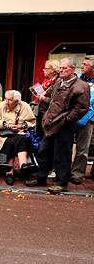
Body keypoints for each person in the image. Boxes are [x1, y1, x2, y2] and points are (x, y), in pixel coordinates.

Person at [26, 58, 90, 194]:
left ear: (73, 69)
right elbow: (52, 101)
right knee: (44, 152)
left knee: (62, 155)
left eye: (64, 68)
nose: (61, 70)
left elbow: (82, 108)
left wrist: (66, 120)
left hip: (64, 125)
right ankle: (41, 177)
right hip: (50, 123)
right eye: (60, 68)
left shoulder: (81, 86)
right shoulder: (58, 82)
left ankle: (62, 183)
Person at [0, 90, 36, 186]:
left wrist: (22, 126)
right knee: (10, 141)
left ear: (16, 101)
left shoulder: (25, 106)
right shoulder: (1, 106)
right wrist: (7, 126)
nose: (6, 102)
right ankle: (9, 172)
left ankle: (23, 166)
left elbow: (32, 122)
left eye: (10, 100)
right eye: (5, 99)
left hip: (20, 132)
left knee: (22, 139)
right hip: (4, 134)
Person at [69, 56, 94, 184]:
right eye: (82, 64)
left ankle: (77, 174)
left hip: (88, 119)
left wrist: (90, 116)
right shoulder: (76, 79)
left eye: (86, 64)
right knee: (66, 146)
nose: (82, 66)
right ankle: (64, 171)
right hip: (71, 116)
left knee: (82, 149)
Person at [34, 60, 60, 139]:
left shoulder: (58, 82)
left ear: (53, 70)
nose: (43, 70)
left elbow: (57, 101)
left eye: (46, 68)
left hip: (49, 116)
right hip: (41, 114)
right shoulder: (46, 81)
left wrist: (44, 99)